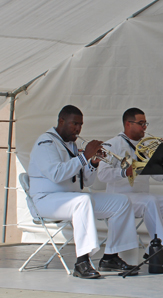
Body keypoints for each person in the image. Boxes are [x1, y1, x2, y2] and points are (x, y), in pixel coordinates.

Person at [28, 105, 138, 279]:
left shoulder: (71, 145)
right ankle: (82, 262)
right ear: (61, 121)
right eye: (74, 124)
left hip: (71, 198)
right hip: (46, 200)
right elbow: (56, 174)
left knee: (121, 202)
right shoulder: (46, 142)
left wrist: (92, 163)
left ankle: (111, 256)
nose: (78, 129)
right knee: (82, 201)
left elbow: (85, 181)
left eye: (81, 125)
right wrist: (83, 157)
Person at [98, 108, 163, 266]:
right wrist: (124, 171)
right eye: (141, 123)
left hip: (143, 198)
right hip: (121, 198)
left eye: (145, 124)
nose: (145, 128)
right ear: (128, 124)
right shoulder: (112, 144)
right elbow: (102, 175)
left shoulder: (146, 147)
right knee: (149, 201)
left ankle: (154, 252)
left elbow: (159, 177)